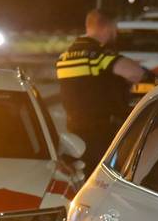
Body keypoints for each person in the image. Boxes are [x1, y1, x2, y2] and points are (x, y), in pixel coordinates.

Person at [55, 10, 150, 170]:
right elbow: (135, 73)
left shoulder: (64, 57)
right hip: (101, 132)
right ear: (107, 27)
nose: (115, 32)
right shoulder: (97, 55)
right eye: (114, 28)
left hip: (75, 130)